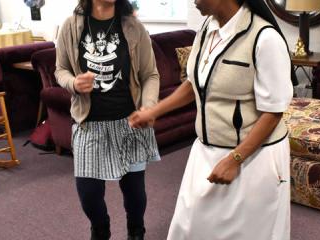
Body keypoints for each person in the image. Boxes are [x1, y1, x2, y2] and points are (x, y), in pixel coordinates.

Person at [128, 0, 293, 239]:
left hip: (252, 157)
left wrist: (235, 159)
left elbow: (274, 112)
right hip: (205, 151)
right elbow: (196, 83)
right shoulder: (206, 29)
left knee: (249, 232)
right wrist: (155, 111)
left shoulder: (265, 39)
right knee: (188, 227)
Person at [55, 0, 160, 239]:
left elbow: (150, 74)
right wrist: (73, 83)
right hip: (89, 124)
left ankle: (136, 231)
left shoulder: (134, 27)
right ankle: (100, 229)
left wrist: (149, 106)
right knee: (88, 195)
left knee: (135, 194)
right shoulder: (71, 26)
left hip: (130, 122)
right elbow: (60, 69)